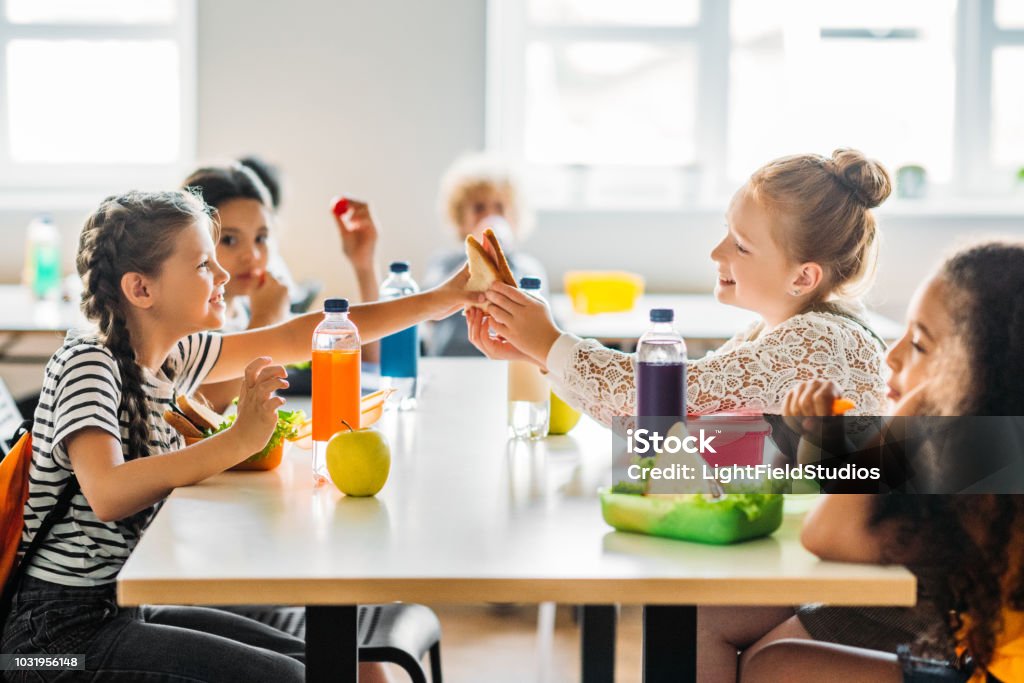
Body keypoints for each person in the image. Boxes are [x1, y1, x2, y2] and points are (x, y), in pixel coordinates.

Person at [0, 189, 475, 682]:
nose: (223, 275)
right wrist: (236, 440)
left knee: (325, 664)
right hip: (47, 646)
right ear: (142, 290)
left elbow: (305, 334)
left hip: (116, 614)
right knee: (287, 679)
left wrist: (441, 301)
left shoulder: (171, 356)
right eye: (204, 264)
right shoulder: (87, 364)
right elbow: (108, 491)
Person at [707, 242, 1024, 683]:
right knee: (710, 616)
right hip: (958, 642)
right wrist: (824, 438)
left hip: (987, 669)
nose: (891, 357)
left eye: (918, 344)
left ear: (985, 376)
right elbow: (860, 502)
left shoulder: (990, 467)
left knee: (776, 666)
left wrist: (912, 408)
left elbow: (829, 534)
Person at [467, 148, 892, 419]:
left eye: (741, 246)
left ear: (803, 276)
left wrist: (548, 343)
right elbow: (656, 421)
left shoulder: (817, 342)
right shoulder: (771, 331)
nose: (716, 253)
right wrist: (538, 352)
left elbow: (671, 396)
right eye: (726, 231)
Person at [182, 162, 383, 410]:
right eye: (230, 240)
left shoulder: (246, 307)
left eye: (261, 238)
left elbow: (365, 363)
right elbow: (202, 410)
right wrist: (266, 318)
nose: (252, 255)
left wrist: (364, 266)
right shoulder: (186, 322)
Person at [424, 153, 547, 356]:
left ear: (514, 216)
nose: (490, 216)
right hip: (451, 359)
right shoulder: (445, 263)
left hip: (507, 363)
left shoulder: (527, 267)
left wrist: (502, 258)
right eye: (479, 208)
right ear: (460, 219)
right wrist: (477, 259)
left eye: (499, 208)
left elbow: (545, 325)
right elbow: (429, 308)